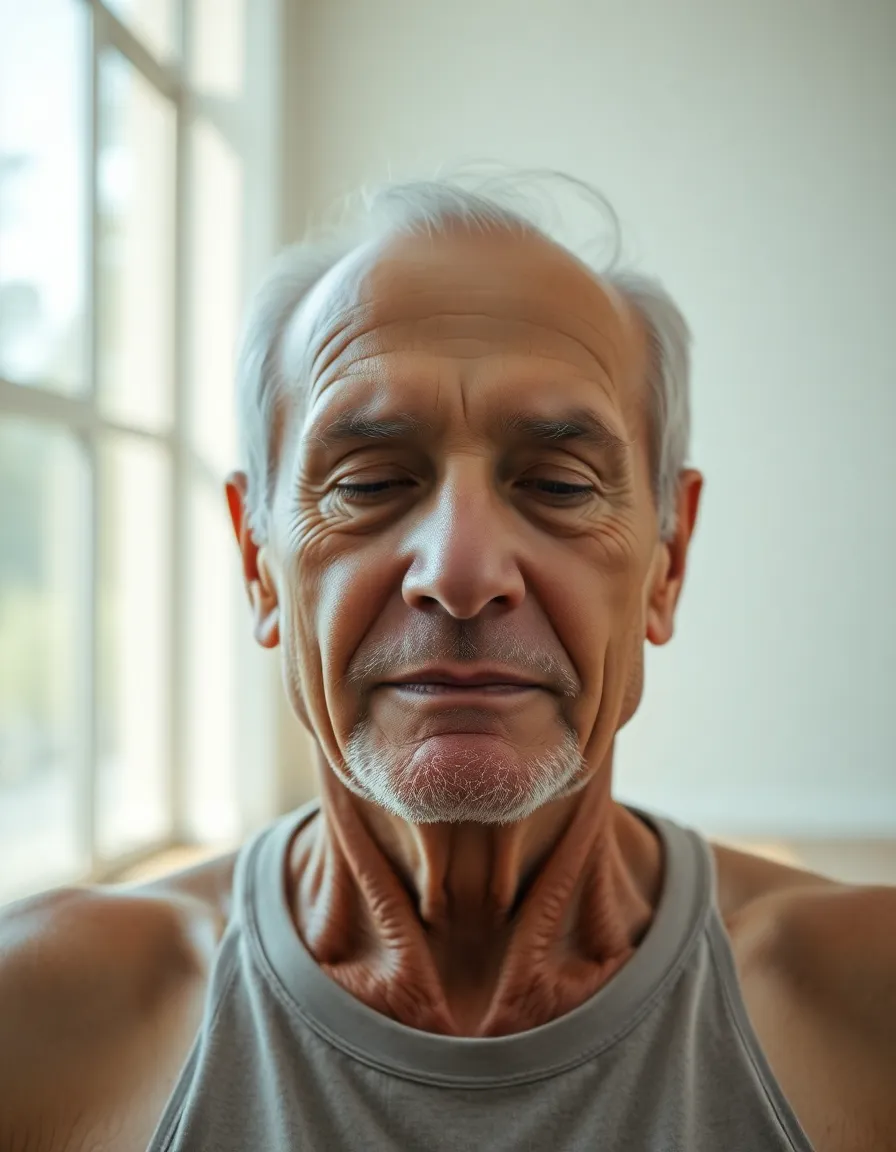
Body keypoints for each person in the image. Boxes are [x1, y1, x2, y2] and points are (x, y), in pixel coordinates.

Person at [1, 176, 894, 1152]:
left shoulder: (867, 1008)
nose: (460, 574)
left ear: (664, 566)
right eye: (370, 482)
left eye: (556, 483)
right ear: (259, 563)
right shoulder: (41, 1021)